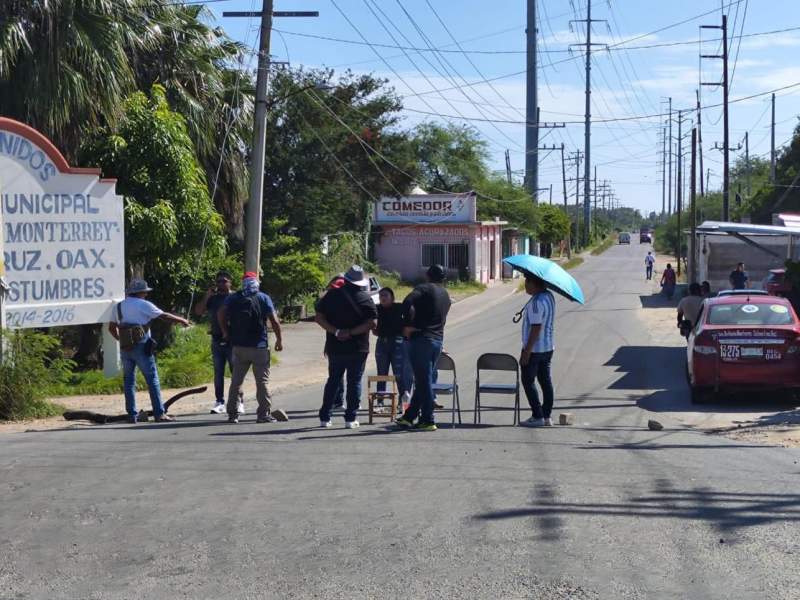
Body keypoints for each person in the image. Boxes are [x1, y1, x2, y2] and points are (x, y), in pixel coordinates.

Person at [109, 279, 190, 423]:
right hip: (142, 345)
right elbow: (163, 316)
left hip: (125, 348)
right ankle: (159, 414)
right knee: (152, 379)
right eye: (145, 292)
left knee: (129, 381)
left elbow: (112, 327)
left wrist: (123, 341)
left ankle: (132, 415)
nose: (146, 294)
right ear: (141, 292)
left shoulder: (119, 307)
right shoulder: (143, 304)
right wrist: (181, 320)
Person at [315, 265, 378, 428]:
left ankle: (325, 417)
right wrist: (351, 332)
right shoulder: (365, 298)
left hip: (335, 346)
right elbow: (372, 323)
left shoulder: (330, 296)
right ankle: (350, 418)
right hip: (358, 347)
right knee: (354, 382)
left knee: (333, 380)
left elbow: (319, 317)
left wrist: (336, 332)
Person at [217, 272, 283, 424]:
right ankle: (263, 414)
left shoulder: (233, 298)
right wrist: (279, 340)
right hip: (259, 347)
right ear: (256, 283)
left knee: (236, 382)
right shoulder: (263, 297)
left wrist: (225, 331)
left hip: (239, 347)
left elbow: (220, 313)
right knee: (262, 382)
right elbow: (274, 321)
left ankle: (233, 414)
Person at [395, 264, 452, 432]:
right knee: (422, 380)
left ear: (427, 275)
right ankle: (409, 416)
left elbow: (406, 302)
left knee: (423, 380)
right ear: (443, 278)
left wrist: (406, 324)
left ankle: (428, 418)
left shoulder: (424, 288)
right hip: (437, 341)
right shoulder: (445, 295)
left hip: (422, 339)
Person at [193, 270, 244, 415]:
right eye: (218, 281)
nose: (221, 284)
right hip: (216, 339)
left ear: (230, 282)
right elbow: (198, 311)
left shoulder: (236, 297)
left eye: (224, 281)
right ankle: (219, 401)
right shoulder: (213, 299)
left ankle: (239, 401)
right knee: (218, 373)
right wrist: (207, 296)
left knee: (236, 373)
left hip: (234, 340)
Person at [519, 275, 556, 427]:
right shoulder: (549, 296)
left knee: (528, 381)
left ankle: (537, 415)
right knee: (545, 380)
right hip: (548, 347)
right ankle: (546, 415)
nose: (525, 285)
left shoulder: (536, 302)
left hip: (535, 349)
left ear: (535, 283)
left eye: (527, 281)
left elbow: (536, 327)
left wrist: (526, 351)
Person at [372, 287, 412, 406]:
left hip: (397, 343)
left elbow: (412, 311)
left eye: (385, 295)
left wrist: (407, 327)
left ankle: (402, 401)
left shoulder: (399, 308)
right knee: (382, 373)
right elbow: (371, 322)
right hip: (382, 343)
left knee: (399, 373)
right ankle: (380, 401)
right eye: (381, 296)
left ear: (392, 298)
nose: (383, 298)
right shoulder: (377, 309)